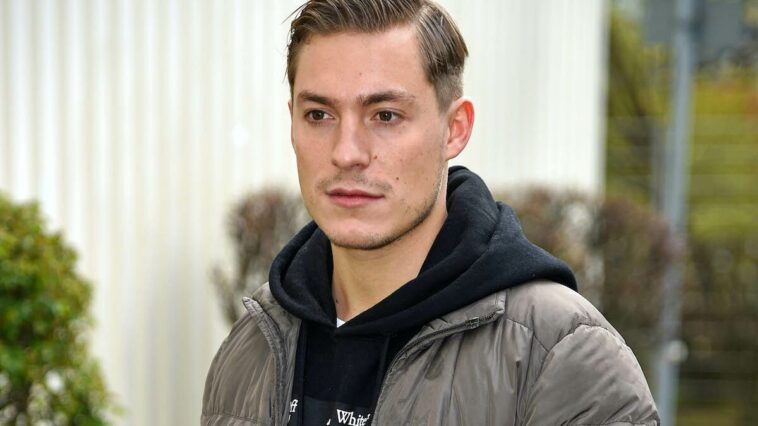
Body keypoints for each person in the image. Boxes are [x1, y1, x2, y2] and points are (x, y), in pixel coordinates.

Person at [202, 0, 660, 424]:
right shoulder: (253, 347)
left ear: (454, 129)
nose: (346, 153)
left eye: (385, 115)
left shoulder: (557, 355)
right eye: (319, 115)